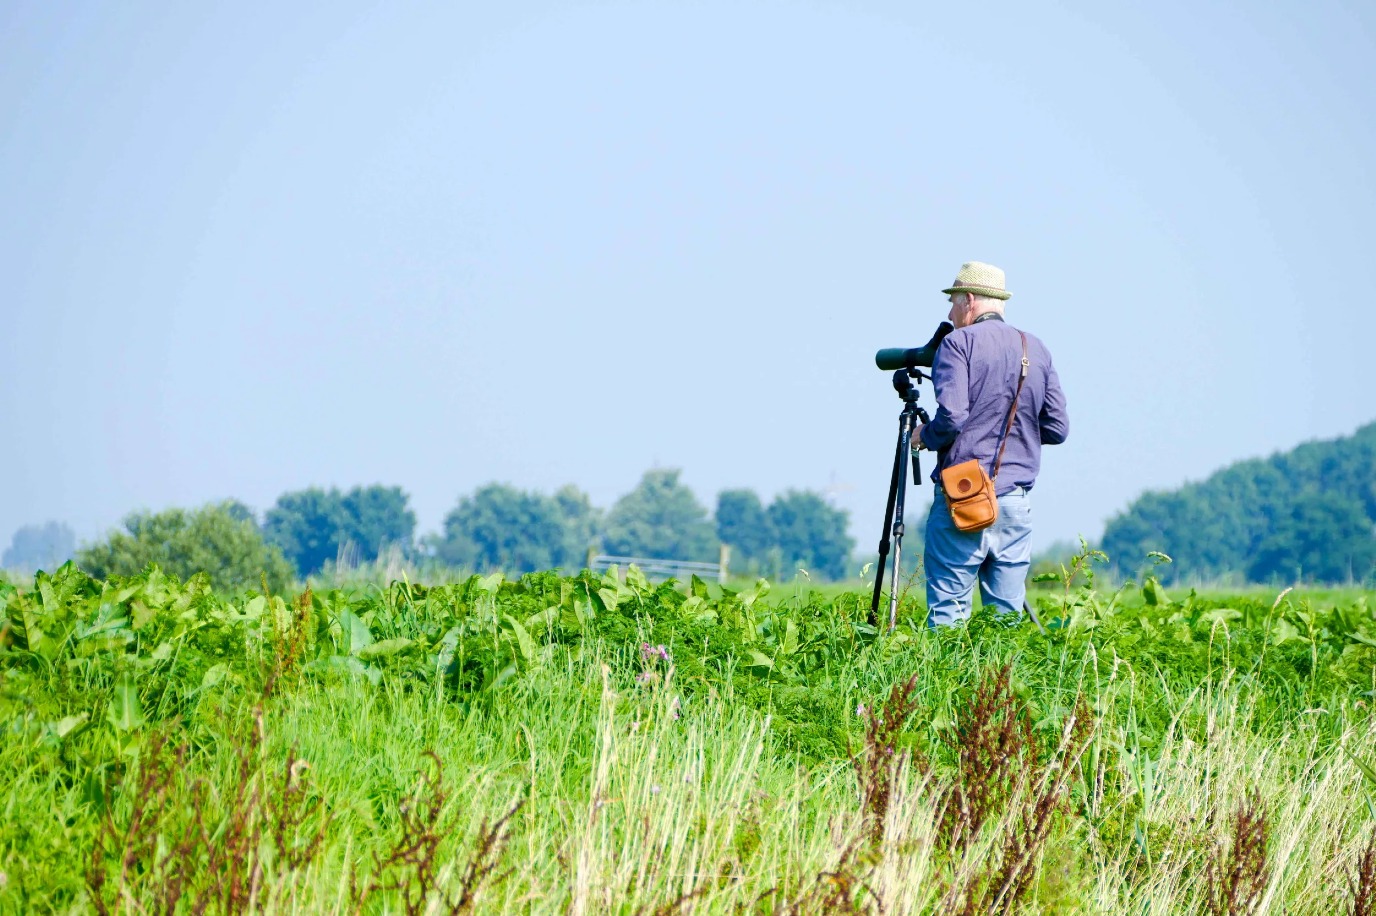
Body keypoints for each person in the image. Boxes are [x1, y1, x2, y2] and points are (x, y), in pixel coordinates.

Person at [913, 262, 1068, 627]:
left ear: (969, 300)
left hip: (964, 497)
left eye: (952, 303)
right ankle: (999, 684)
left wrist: (925, 436)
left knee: (949, 614)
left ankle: (949, 683)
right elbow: (1058, 428)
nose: (950, 313)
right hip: (1015, 502)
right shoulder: (1036, 348)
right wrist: (1019, 434)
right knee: (1005, 621)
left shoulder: (958, 343)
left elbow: (951, 418)